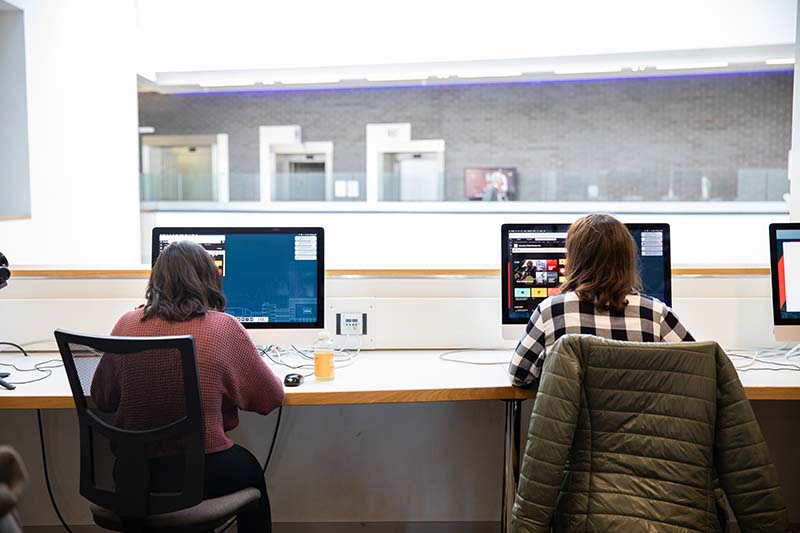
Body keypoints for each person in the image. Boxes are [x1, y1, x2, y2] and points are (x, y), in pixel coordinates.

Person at [91, 241, 284, 533]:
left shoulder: (126, 324)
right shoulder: (223, 328)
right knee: (252, 471)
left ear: (155, 280)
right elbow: (269, 399)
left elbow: (102, 398)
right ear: (209, 279)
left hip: (133, 474)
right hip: (205, 471)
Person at [509, 213, 694, 387]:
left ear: (573, 260)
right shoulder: (655, 314)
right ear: (628, 260)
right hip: (641, 421)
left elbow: (519, 375)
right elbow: (698, 367)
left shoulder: (551, 311)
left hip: (573, 421)